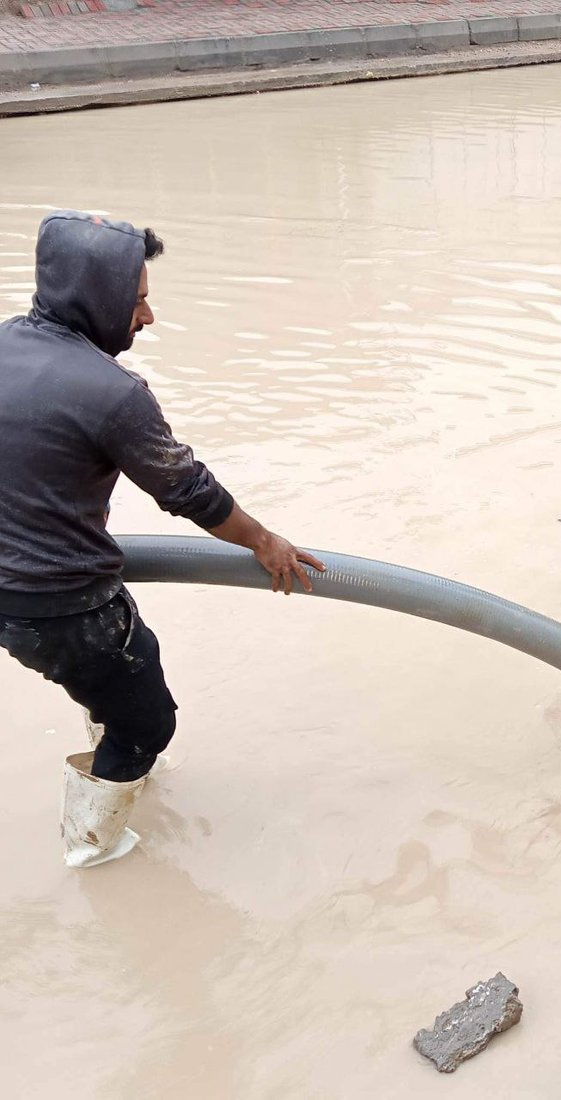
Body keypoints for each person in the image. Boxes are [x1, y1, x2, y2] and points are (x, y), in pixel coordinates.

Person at [0, 211, 325, 868]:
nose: (146, 317)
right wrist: (264, 542)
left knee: (105, 685)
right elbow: (188, 490)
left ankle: (108, 745)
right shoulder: (112, 393)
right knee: (150, 722)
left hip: (12, 603)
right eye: (137, 300)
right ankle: (94, 851)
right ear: (96, 298)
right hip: (69, 608)